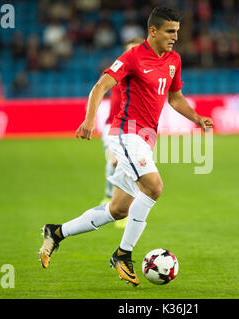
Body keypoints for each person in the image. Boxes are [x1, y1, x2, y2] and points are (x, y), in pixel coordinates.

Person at [39, 6, 213, 286]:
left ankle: (56, 233)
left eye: (177, 32)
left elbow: (175, 97)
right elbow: (100, 86)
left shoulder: (173, 60)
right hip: (125, 133)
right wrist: (88, 120)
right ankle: (123, 254)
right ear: (153, 31)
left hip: (146, 139)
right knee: (154, 187)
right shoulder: (133, 57)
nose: (175, 37)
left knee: (118, 209)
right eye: (170, 31)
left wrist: (196, 118)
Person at [99, 37, 144, 230]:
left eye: (137, 50)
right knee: (116, 160)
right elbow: (100, 88)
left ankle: (124, 208)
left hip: (135, 128)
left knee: (133, 168)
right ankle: (109, 196)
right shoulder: (116, 70)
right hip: (113, 125)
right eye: (129, 50)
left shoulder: (147, 75)